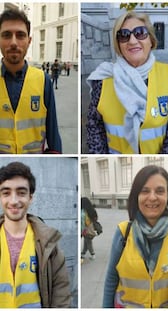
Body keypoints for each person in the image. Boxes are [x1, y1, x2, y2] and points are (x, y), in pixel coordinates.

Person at [86, 11, 168, 154]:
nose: (132, 41)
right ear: (119, 45)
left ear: (151, 40)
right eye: (124, 35)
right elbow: (94, 129)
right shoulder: (103, 80)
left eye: (140, 33)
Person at [103, 165, 168, 308]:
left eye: (159, 191)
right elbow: (111, 280)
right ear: (136, 196)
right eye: (145, 191)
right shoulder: (123, 232)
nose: (152, 197)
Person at [0, 161, 71, 307]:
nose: (14, 201)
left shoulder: (48, 244)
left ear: (30, 198)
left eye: (21, 193)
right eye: (6, 193)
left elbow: (61, 296)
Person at [0, 9, 62, 153]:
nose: (14, 42)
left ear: (29, 41)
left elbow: (53, 135)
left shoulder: (43, 80)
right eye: (7, 35)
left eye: (20, 35)